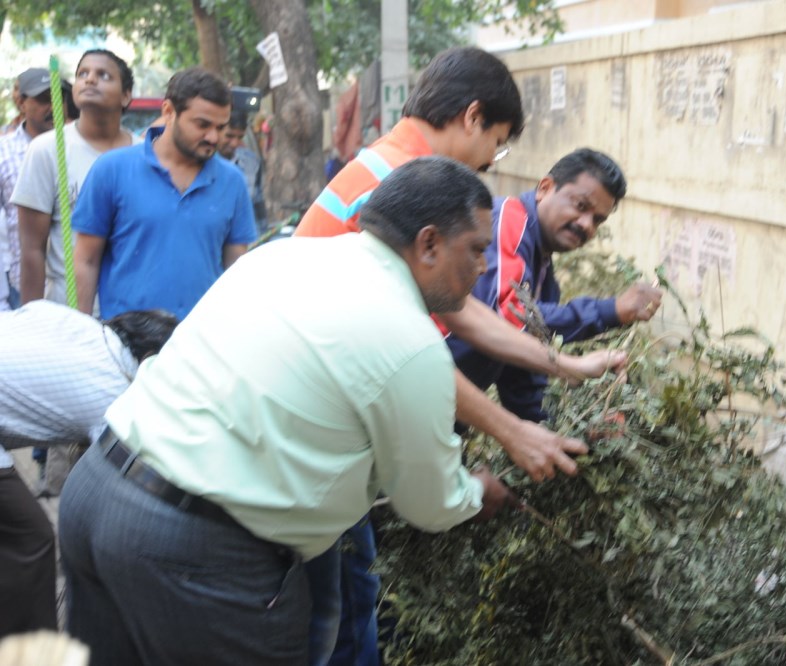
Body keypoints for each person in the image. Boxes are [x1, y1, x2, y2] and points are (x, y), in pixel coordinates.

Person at [59, 157, 515, 665]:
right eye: (475, 250)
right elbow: (431, 504)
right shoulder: (412, 343)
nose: (481, 267)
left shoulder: (280, 258)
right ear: (428, 243)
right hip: (194, 549)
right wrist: (477, 490)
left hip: (96, 490)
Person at [295, 46, 628, 666]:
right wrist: (510, 434)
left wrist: (563, 365)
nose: (490, 162)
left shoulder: (393, 168)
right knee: (337, 625)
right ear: (473, 118)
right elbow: (415, 353)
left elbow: (458, 310)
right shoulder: (401, 185)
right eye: (497, 144)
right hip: (317, 449)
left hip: (334, 441)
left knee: (352, 603)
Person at [0, 301, 178, 639]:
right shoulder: (117, 392)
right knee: (30, 539)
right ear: (151, 360)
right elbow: (124, 480)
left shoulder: (78, 325)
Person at [450, 148, 662, 424]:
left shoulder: (544, 276)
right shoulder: (509, 220)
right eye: (580, 205)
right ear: (545, 188)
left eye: (598, 220)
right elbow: (510, 317)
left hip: (449, 414)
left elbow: (521, 378)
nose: (586, 224)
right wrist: (610, 311)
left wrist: (570, 430)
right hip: (418, 398)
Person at [73, 67, 257, 320]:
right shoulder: (111, 169)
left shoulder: (232, 182)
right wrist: (81, 331)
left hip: (201, 340)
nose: (213, 137)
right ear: (169, 112)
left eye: (220, 127)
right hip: (126, 340)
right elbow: (86, 260)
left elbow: (235, 268)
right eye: (202, 125)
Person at [12, 49, 138, 307]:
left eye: (103, 75)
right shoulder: (46, 149)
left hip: (130, 312)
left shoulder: (144, 153)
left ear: (126, 95)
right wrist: (32, 320)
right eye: (83, 74)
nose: (90, 80)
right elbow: (32, 250)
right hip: (65, 310)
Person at [0, 68, 59, 310]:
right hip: (18, 286)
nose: (53, 106)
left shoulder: (74, 148)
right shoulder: (4, 152)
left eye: (57, 97)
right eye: (44, 99)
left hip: (69, 284)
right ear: (21, 103)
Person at [217, 110, 265, 232]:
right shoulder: (198, 163)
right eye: (229, 136)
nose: (234, 143)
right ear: (216, 132)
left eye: (240, 137)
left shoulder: (252, 162)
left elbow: (257, 203)